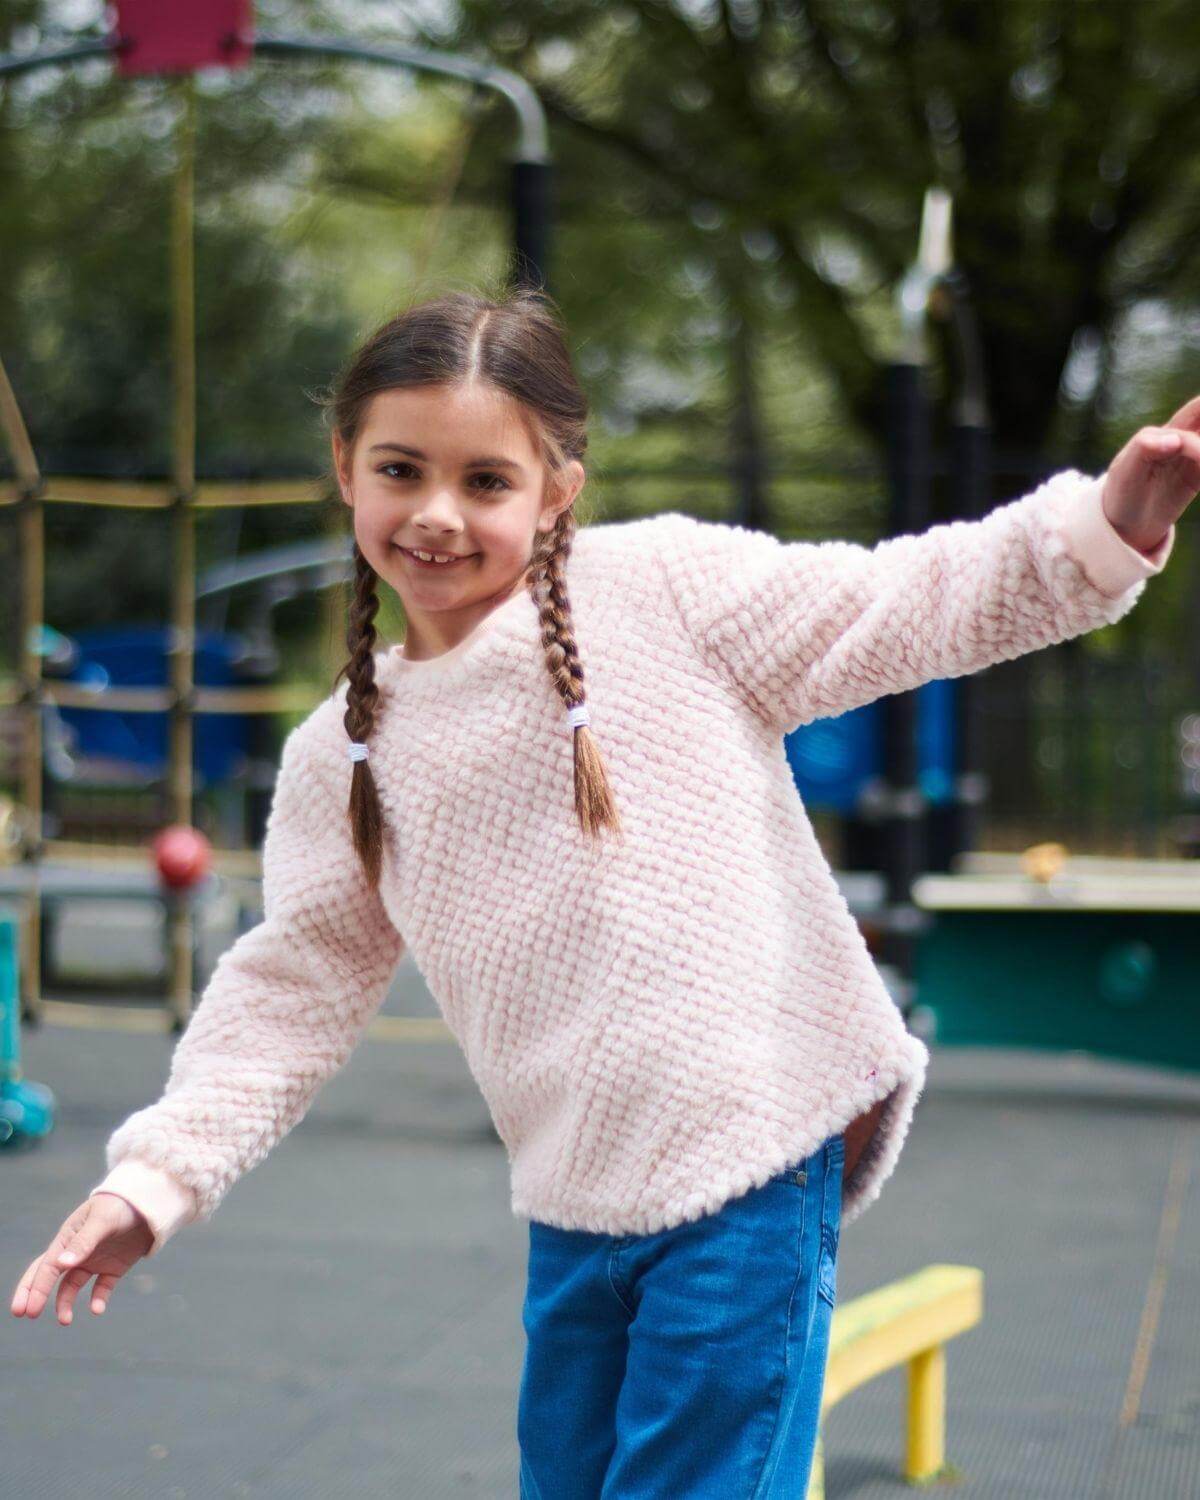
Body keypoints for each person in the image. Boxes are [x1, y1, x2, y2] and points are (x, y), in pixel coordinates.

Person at [11, 285, 1193, 1498]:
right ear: (345, 467)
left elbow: (902, 603)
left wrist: (1104, 528)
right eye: (400, 469)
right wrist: (157, 1178)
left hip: (749, 1162)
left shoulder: (662, 594)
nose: (435, 514)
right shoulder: (344, 754)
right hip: (576, 1200)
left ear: (556, 489)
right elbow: (291, 987)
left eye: (485, 483)